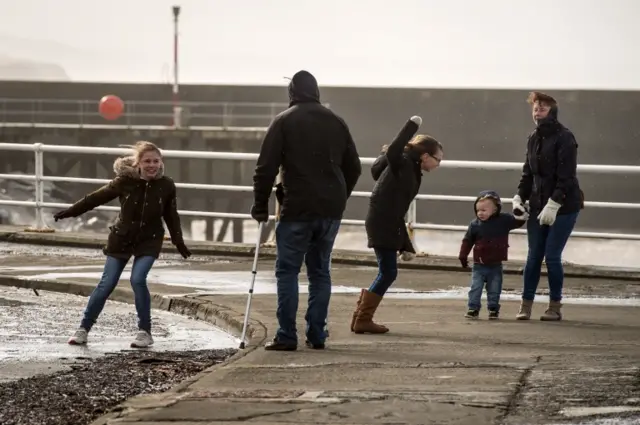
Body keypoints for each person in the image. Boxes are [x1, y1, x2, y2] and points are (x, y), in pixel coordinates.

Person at [251, 70, 362, 351]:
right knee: (320, 272)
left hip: (297, 207)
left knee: (287, 271)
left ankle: (287, 335)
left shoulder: (284, 121)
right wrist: (339, 196)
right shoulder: (336, 121)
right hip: (330, 209)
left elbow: (265, 168)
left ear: (291, 93)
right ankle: (317, 334)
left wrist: (260, 205)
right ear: (317, 92)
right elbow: (354, 167)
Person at [53, 141, 192, 348]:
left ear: (161, 162)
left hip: (149, 239)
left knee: (138, 279)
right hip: (122, 237)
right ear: (138, 163)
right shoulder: (124, 181)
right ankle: (83, 329)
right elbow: (95, 199)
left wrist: (178, 241)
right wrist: (69, 212)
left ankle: (145, 332)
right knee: (107, 283)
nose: (152, 165)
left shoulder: (166, 185)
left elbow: (171, 215)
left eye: (156, 161)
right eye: (147, 161)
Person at [351, 116, 443, 334]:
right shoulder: (402, 162)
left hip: (386, 220)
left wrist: (405, 243)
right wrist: (411, 126)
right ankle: (363, 318)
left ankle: (360, 318)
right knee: (388, 272)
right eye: (438, 159)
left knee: (387, 271)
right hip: (383, 221)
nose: (439, 164)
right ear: (425, 156)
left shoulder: (410, 167)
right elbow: (393, 151)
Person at [512, 91, 584, 321]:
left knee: (552, 256)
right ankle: (526, 305)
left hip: (563, 206)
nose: (538, 110)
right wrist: (519, 197)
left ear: (552, 110)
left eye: (543, 106)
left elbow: (567, 176)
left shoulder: (565, 137)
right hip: (537, 203)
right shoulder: (533, 137)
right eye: (535, 106)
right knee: (533, 257)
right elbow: (528, 172)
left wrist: (554, 203)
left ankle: (554, 306)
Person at [458, 190, 528, 320]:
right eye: (478, 210)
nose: (480, 213)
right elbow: (467, 241)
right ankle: (473, 308)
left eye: (484, 210)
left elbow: (518, 222)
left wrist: (521, 212)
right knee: (475, 288)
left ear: (495, 209)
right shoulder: (475, 225)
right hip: (479, 265)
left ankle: (493, 309)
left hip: (496, 265)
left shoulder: (504, 220)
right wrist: (463, 256)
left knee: (495, 289)